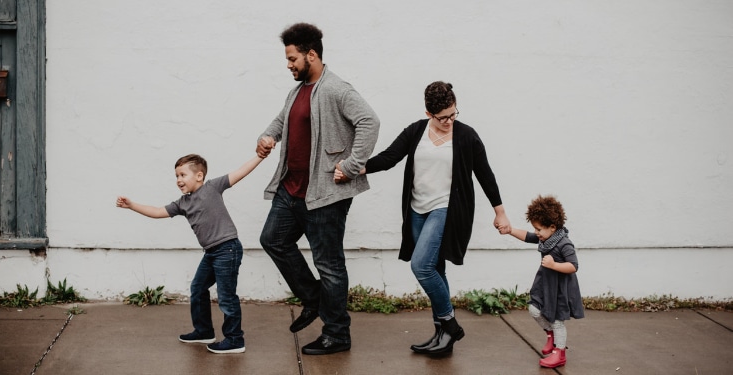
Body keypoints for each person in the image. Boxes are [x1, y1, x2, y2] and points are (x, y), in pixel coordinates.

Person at [335, 81, 510, 356]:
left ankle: (450, 325)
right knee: (436, 269)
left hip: (446, 209)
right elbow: (390, 157)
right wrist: (354, 169)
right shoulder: (417, 131)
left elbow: (485, 174)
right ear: (429, 113)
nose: (449, 121)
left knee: (422, 266)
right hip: (417, 210)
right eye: (443, 117)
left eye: (453, 114)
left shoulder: (466, 136)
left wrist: (500, 212)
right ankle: (442, 336)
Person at [256, 22, 380, 355]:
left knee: (329, 265)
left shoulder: (336, 89)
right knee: (273, 240)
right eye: (287, 58)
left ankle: (337, 334)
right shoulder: (297, 90)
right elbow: (282, 120)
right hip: (291, 189)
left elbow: (370, 121)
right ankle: (313, 300)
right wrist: (267, 137)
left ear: (312, 54)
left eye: (292, 58)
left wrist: (351, 166)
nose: (288, 64)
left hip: (324, 194)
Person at [116, 153, 263, 354]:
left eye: (183, 175)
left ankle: (235, 339)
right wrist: (131, 205)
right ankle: (204, 331)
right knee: (198, 287)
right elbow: (157, 211)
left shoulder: (212, 187)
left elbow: (240, 172)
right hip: (211, 252)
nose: (178, 180)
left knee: (226, 297)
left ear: (199, 176)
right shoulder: (182, 203)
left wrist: (260, 156)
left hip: (227, 249)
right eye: (176, 176)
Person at [501, 195, 584, 368]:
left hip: (559, 288)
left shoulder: (564, 244)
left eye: (539, 229)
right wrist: (510, 230)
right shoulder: (545, 238)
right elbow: (527, 236)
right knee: (534, 309)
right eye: (535, 229)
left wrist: (554, 265)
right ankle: (550, 335)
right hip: (545, 284)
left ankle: (559, 353)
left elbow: (573, 266)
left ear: (552, 227)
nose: (536, 233)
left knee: (556, 320)